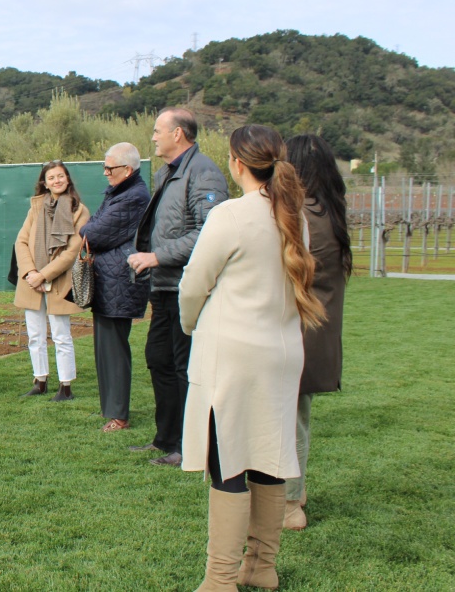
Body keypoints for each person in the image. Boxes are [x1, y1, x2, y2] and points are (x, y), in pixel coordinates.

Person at [179, 124, 325, 590]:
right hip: (281, 356)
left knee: (228, 463)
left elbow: (193, 284)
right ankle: (261, 567)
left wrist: (190, 324)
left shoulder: (230, 215)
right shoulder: (294, 216)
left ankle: (220, 578)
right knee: (269, 459)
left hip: (233, 358)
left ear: (236, 163)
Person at [127, 108, 229, 466]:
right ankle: (165, 438)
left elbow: (209, 233)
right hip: (164, 287)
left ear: (179, 134)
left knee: (187, 368)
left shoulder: (203, 173)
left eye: (158, 131)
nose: (153, 136)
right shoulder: (165, 174)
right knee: (159, 359)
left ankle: (190, 446)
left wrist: (156, 257)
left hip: (189, 289)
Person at [282, 134, 351, 531]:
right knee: (296, 418)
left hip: (299, 334)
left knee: (290, 421)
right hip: (317, 335)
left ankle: (291, 503)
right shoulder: (330, 212)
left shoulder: (304, 216)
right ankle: (295, 493)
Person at [78, 143, 151, 432]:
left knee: (115, 349)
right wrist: (88, 230)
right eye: (105, 167)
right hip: (109, 281)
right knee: (105, 348)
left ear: (127, 170)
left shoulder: (133, 196)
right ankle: (111, 408)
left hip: (119, 282)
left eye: (110, 168)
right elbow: (91, 227)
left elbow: (92, 232)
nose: (106, 173)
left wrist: (88, 232)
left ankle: (119, 413)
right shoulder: (119, 193)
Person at [13, 160, 89, 401]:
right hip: (31, 281)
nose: (57, 181)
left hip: (59, 280)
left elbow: (72, 251)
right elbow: (21, 241)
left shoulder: (79, 211)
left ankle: (65, 386)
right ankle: (40, 380)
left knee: (61, 334)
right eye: (51, 177)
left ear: (67, 179)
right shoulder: (36, 207)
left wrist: (43, 275)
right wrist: (29, 273)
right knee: (35, 334)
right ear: (44, 183)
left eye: (60, 176)